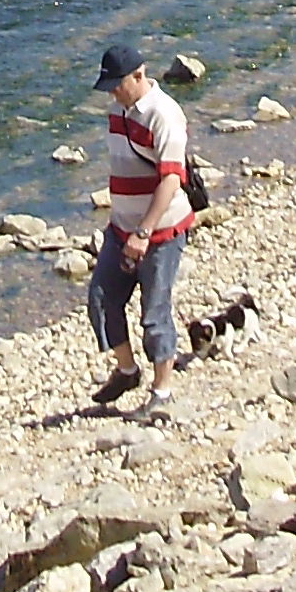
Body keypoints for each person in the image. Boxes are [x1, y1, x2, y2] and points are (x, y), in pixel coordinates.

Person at [87, 39, 193, 408]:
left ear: (139, 74)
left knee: (154, 313)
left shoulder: (164, 114)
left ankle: (162, 392)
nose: (113, 93)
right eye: (109, 87)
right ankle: (127, 371)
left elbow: (171, 179)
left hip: (160, 232)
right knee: (102, 299)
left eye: (117, 84)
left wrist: (144, 232)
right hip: (121, 228)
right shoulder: (119, 111)